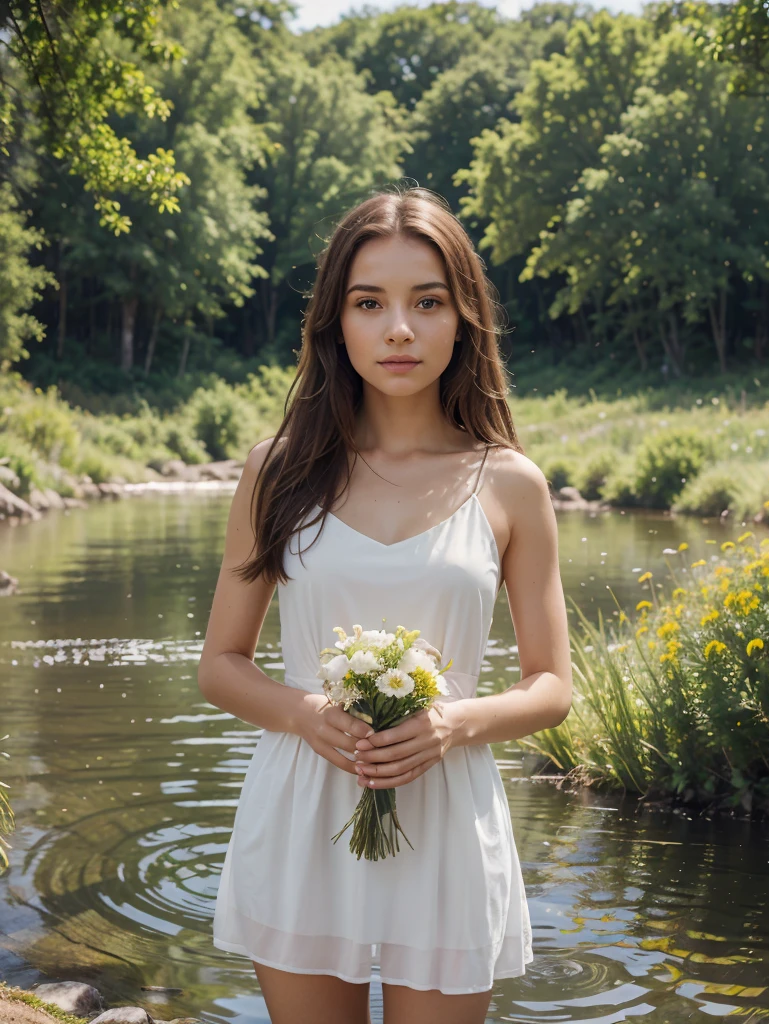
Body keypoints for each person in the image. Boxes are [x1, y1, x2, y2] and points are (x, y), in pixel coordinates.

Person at [197, 186, 574, 1024]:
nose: (399, 329)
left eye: (426, 302)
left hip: (447, 816)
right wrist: (303, 713)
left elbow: (553, 685)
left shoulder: (509, 483)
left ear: (462, 318)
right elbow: (220, 666)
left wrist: (454, 723)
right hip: (303, 810)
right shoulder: (278, 470)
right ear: (336, 321)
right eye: (370, 303)